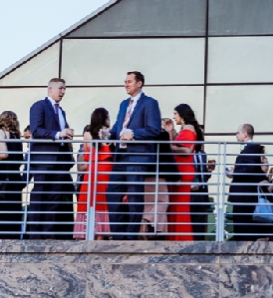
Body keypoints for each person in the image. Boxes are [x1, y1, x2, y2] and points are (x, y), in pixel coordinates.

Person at [108, 70, 165, 239]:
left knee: (134, 195)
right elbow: (118, 126)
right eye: (125, 81)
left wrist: (134, 134)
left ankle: (131, 235)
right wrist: (108, 134)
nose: (126, 84)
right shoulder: (123, 104)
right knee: (112, 192)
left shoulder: (150, 103)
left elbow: (154, 129)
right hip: (121, 155)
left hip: (137, 155)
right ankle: (118, 235)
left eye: (129, 81)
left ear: (139, 83)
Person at [26, 77, 78, 239]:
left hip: (59, 162)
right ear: (50, 89)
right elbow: (36, 130)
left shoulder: (61, 111)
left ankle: (48, 234)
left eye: (64, 89)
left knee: (54, 199)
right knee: (39, 196)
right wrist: (58, 134)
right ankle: (35, 234)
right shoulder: (39, 106)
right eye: (60, 88)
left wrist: (65, 135)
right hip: (43, 160)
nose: (63, 92)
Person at [166, 104, 209, 241]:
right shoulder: (186, 129)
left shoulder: (189, 129)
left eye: (175, 114)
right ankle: (176, 238)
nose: (174, 117)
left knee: (179, 209)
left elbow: (187, 150)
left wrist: (169, 147)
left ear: (182, 115)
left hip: (183, 172)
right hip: (181, 171)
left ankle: (180, 239)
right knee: (176, 208)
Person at [228, 124, 273, 240]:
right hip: (243, 195)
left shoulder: (251, 148)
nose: (236, 135)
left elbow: (250, 168)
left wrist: (234, 173)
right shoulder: (250, 148)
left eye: (238, 133)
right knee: (242, 227)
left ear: (245, 134)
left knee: (243, 228)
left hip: (244, 196)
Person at [0, 111, 26, 239]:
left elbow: (4, 153)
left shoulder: (1, 132)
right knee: (14, 210)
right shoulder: (17, 136)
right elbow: (20, 159)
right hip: (15, 175)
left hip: (4, 175)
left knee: (0, 209)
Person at [76, 109, 112, 240]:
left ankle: (89, 233)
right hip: (105, 170)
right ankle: (101, 235)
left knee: (90, 201)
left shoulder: (87, 134)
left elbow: (87, 152)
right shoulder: (107, 133)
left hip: (92, 170)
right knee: (102, 202)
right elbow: (108, 146)